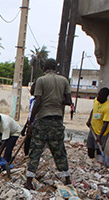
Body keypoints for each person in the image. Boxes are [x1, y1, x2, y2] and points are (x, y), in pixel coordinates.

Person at [24, 59, 73, 190]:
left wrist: (30, 122)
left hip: (43, 119)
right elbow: (69, 101)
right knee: (59, 151)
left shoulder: (41, 80)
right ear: (55, 67)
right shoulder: (64, 81)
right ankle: (67, 179)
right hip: (57, 120)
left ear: (45, 67)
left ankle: (28, 181)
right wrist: (57, 100)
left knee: (36, 150)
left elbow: (38, 101)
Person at [86, 87, 109, 160]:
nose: (98, 97)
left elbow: (106, 123)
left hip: (102, 133)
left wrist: (100, 137)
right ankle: (91, 162)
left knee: (99, 150)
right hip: (93, 129)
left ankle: (99, 164)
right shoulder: (96, 101)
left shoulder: (108, 107)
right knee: (90, 148)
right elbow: (93, 110)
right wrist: (89, 120)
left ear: (105, 97)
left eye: (100, 96)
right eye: (98, 94)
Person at [21, 82, 36, 156]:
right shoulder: (32, 101)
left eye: (32, 89)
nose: (30, 90)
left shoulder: (40, 102)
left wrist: (31, 126)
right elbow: (30, 115)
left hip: (35, 126)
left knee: (32, 145)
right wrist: (25, 127)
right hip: (30, 125)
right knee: (26, 145)